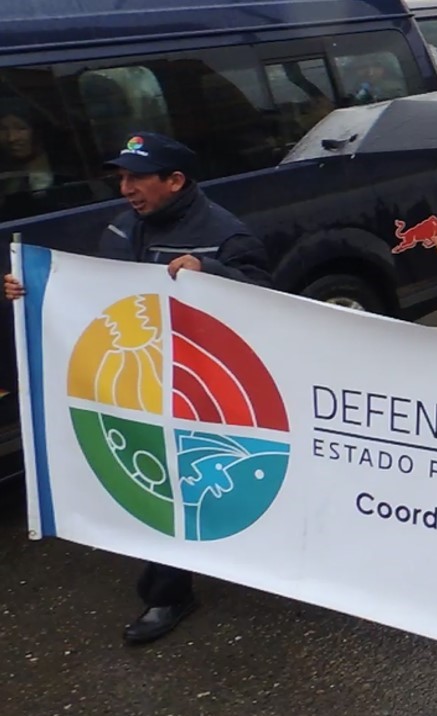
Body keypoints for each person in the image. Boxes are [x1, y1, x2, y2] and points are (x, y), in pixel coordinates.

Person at [4, 132, 272, 643]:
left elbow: (268, 299)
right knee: (156, 481)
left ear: (175, 181)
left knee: (200, 481)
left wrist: (210, 272)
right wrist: (30, 287)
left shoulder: (224, 234)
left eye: (136, 177)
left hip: (202, 385)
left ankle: (201, 577)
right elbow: (96, 287)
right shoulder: (122, 227)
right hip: (145, 380)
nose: (125, 188)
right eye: (121, 177)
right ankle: (169, 590)